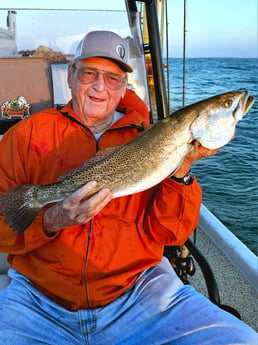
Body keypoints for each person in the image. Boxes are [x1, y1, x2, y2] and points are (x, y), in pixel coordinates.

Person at [0, 31, 256, 345]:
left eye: (112, 78)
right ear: (70, 76)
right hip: (39, 298)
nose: (99, 87)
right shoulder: (24, 136)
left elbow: (169, 235)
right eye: (89, 74)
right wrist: (53, 220)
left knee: (240, 340)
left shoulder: (148, 136)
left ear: (123, 87)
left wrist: (183, 167)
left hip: (139, 292)